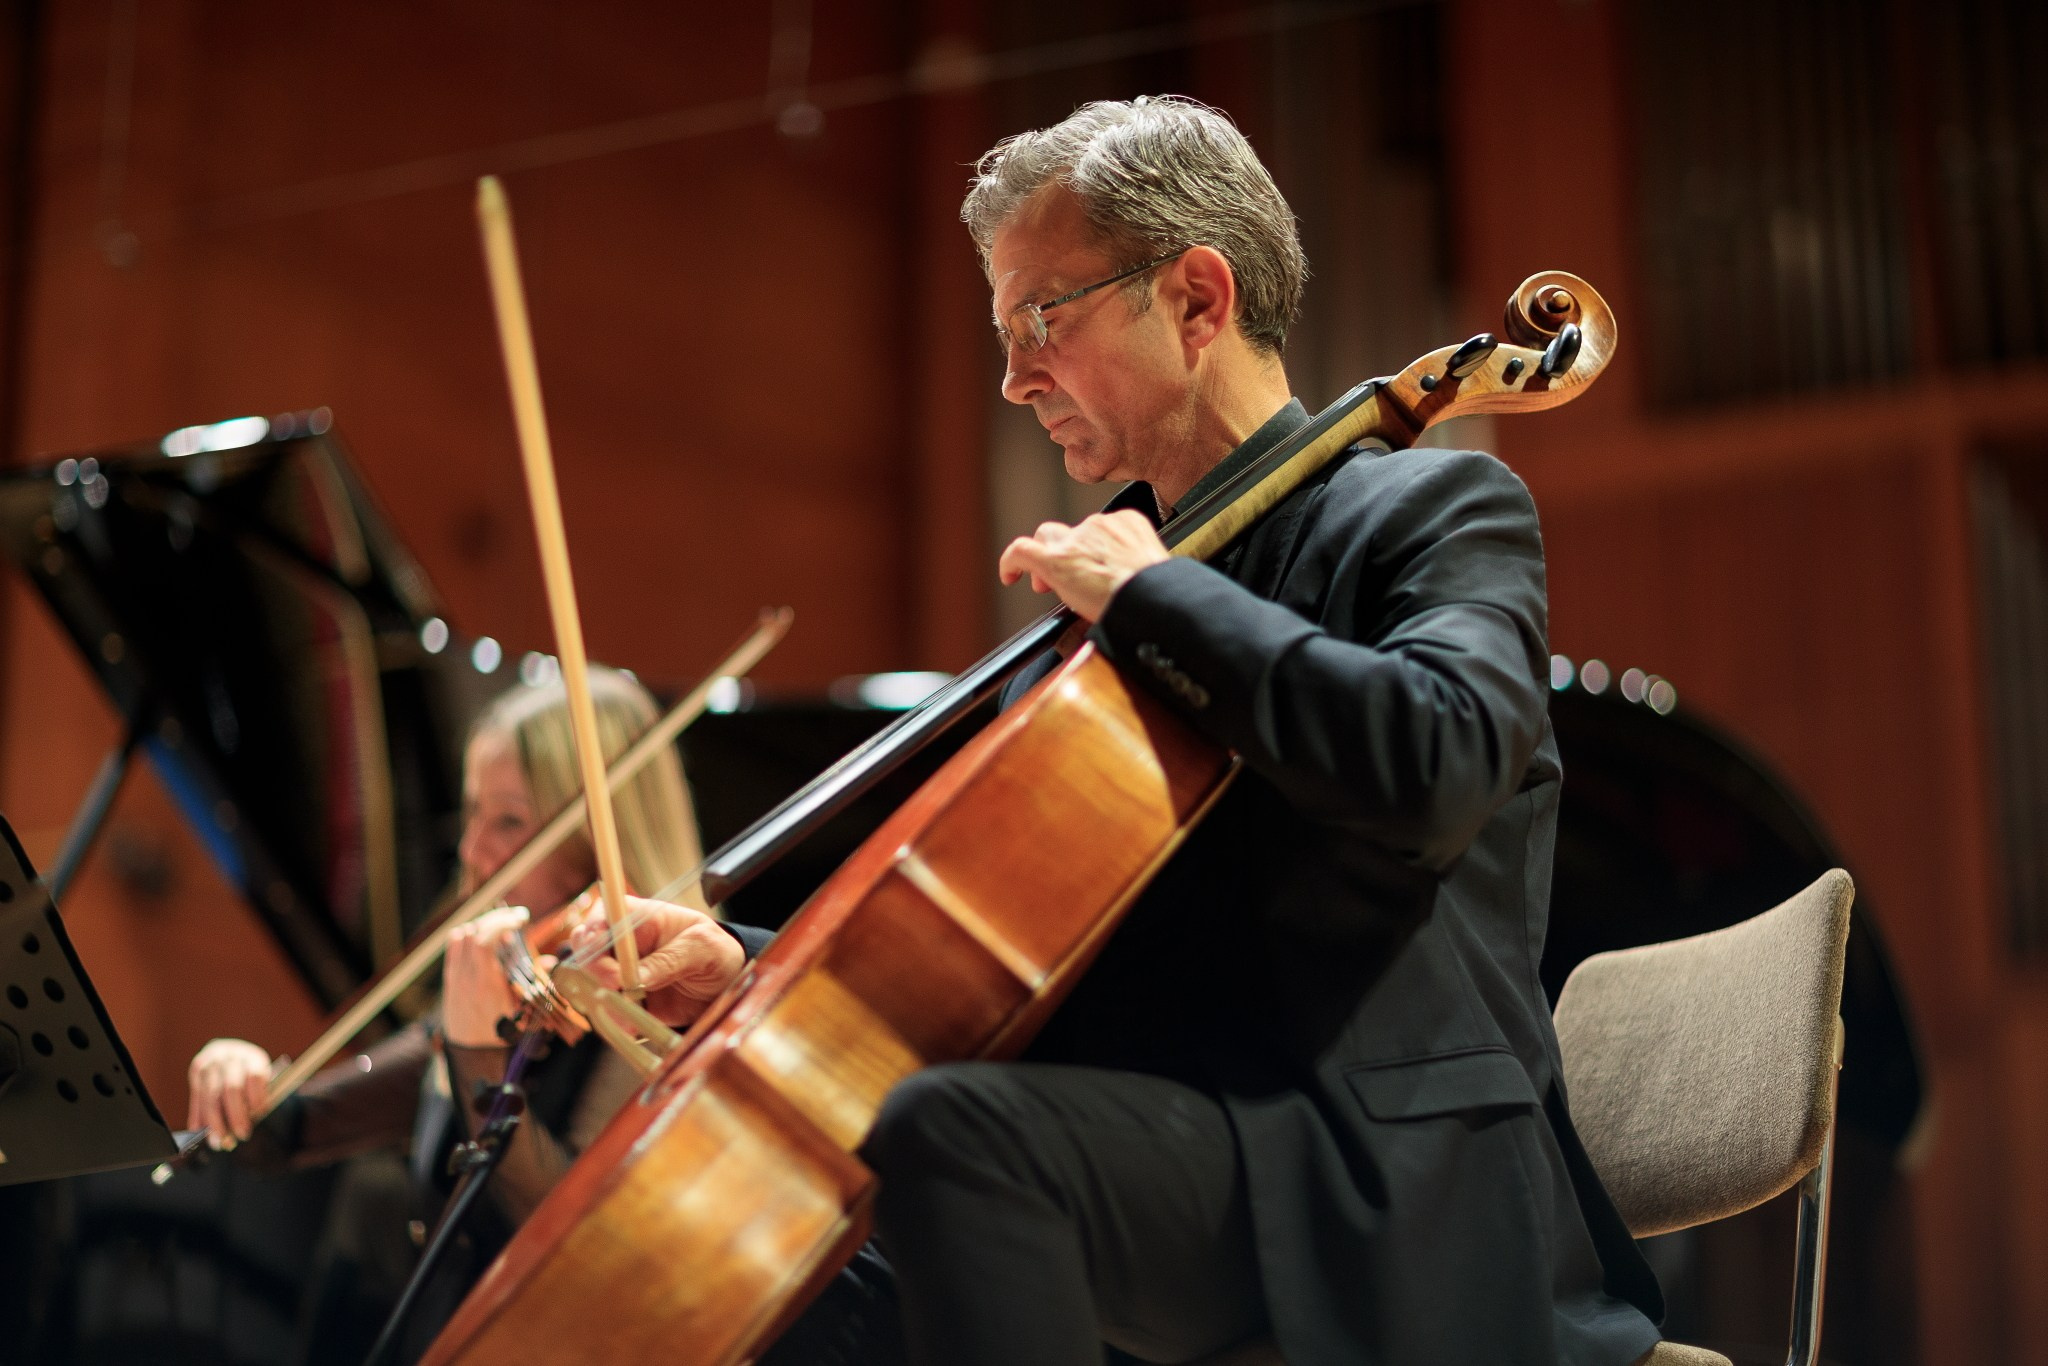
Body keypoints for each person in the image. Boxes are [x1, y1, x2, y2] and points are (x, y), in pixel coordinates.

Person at [598, 96, 1666, 1365]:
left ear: (1198, 300)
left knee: (955, 1140)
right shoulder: (1099, 613)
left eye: (1040, 319)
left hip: (1384, 1175)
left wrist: (1160, 598)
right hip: (1170, 1160)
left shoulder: (1429, 506)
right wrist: (747, 970)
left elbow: (1436, 767)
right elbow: (982, 949)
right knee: (792, 1248)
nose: (1010, 377)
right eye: (1000, 335)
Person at [184, 666, 706, 1361]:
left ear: (600, 841)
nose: (471, 851)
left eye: (511, 821)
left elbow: (561, 1237)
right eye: (472, 814)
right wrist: (239, 1076)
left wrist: (475, 1056)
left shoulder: (666, 1011)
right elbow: (293, 1129)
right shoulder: (500, 999)